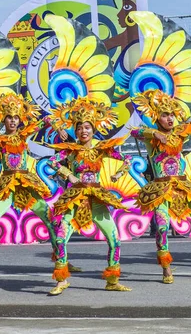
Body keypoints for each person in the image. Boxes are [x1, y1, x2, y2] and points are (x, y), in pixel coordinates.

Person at [130, 90, 191, 284]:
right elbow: (135, 132)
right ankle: (166, 268)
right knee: (162, 228)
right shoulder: (151, 138)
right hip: (162, 189)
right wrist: (154, 132)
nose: (169, 118)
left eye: (172, 114)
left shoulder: (181, 133)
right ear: (157, 117)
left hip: (183, 187)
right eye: (165, 115)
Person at [46, 97, 132, 295]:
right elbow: (52, 161)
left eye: (87, 127)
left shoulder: (101, 148)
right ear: (75, 131)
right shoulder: (70, 150)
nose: (83, 131)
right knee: (60, 239)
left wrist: (119, 174)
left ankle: (112, 280)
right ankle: (61, 281)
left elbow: (126, 158)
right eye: (79, 128)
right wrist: (69, 175)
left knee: (114, 240)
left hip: (97, 198)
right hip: (75, 199)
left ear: (93, 129)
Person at [0, 92, 57, 279]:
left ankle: (61, 260)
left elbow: (46, 120)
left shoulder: (24, 135)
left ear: (20, 119)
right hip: (7, 184)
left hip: (26, 184)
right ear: (3, 119)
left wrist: (55, 124)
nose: (12, 121)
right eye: (9, 117)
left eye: (15, 117)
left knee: (50, 219)